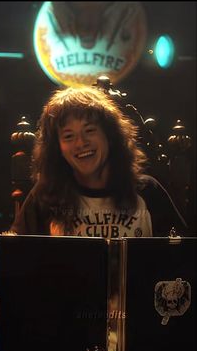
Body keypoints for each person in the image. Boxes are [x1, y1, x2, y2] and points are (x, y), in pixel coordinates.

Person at [10, 85, 187, 238]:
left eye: (89, 130)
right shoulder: (46, 195)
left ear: (110, 136)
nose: (80, 143)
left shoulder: (147, 191)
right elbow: (16, 257)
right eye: (69, 136)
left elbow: (182, 259)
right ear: (57, 148)